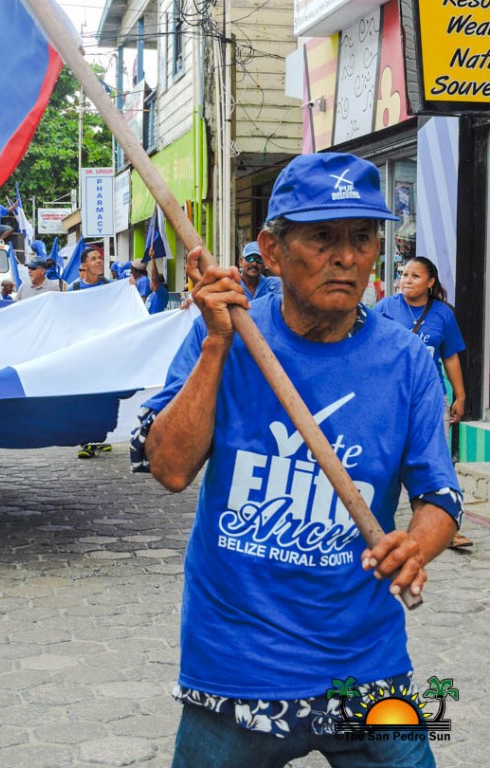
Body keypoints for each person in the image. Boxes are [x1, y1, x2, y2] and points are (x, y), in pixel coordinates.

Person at [132, 152, 463, 768]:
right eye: (322, 238)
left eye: (362, 238)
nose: (347, 257)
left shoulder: (407, 362)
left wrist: (415, 546)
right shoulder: (225, 332)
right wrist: (216, 344)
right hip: (236, 666)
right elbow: (170, 469)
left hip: (363, 665)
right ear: (273, 250)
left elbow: (440, 497)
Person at [374, 256, 471, 549]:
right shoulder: (384, 309)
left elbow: (450, 356)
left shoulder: (443, 314)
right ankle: (375, 526)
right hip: (389, 399)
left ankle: (445, 529)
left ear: (430, 282)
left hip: (431, 398)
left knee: (436, 462)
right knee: (385, 462)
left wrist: (460, 395)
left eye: (415, 276)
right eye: (404, 274)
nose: (406, 280)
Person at [67, 246, 112, 458]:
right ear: (84, 265)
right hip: (82, 350)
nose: (99, 261)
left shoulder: (111, 287)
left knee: (104, 394)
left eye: (100, 258)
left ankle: (101, 436)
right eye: (93, 258)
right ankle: (85, 441)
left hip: (104, 350)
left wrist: (130, 287)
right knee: (84, 395)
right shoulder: (74, 289)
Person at [144, 247, 169, 314]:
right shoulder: (151, 295)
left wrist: (152, 258)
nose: (150, 282)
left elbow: (154, 277)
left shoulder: (161, 293)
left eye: (151, 280)